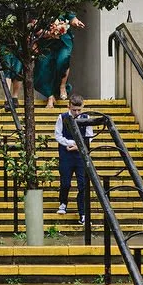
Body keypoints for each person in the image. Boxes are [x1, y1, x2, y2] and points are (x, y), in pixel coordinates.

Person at [55, 93, 95, 222]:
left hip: (80, 155)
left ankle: (82, 212)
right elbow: (58, 135)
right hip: (66, 153)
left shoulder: (86, 118)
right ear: (69, 107)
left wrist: (79, 146)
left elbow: (90, 136)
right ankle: (63, 203)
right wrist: (70, 143)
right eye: (74, 110)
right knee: (65, 182)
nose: (77, 112)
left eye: (79, 110)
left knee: (82, 184)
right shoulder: (62, 117)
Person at [35, 13, 86, 110]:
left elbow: (72, 18)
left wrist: (76, 22)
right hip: (46, 42)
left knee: (62, 60)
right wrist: (51, 33)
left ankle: (62, 86)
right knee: (41, 69)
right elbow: (35, 29)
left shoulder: (62, 2)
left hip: (63, 41)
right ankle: (50, 96)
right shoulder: (38, 7)